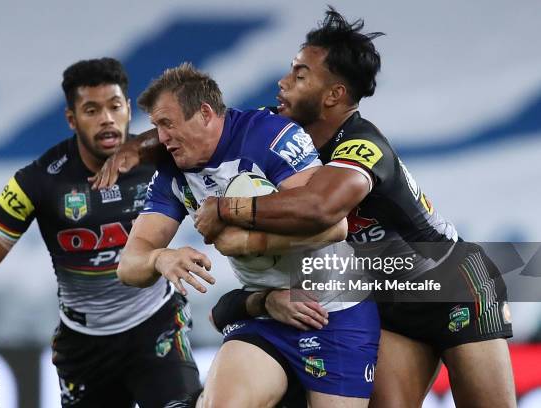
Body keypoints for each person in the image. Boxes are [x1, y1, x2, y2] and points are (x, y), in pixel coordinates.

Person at [93, 8, 516, 408]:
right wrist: (136, 147)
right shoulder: (274, 132)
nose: (283, 82)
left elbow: (320, 208)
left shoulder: (362, 145)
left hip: (449, 284)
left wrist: (224, 209)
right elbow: (200, 126)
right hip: (384, 293)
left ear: (334, 94)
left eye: (299, 74)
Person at [116, 62, 380, 408]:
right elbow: (127, 266)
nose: (161, 139)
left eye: (167, 124)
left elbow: (333, 226)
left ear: (205, 114)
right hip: (265, 313)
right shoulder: (172, 173)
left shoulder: (268, 136)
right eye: (156, 127)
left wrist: (248, 241)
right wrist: (159, 257)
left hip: (335, 311)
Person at [0, 57, 201, 407]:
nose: (106, 118)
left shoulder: (161, 157)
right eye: (91, 110)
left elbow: (214, 130)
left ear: (129, 109)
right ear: (72, 119)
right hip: (86, 347)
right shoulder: (39, 181)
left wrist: (140, 144)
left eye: (115, 106)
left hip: (157, 326)